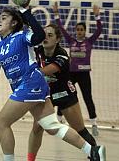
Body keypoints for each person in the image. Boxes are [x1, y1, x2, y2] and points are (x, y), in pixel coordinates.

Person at [0, 0, 106, 161]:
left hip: (30, 82)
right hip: (27, 86)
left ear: (13, 23)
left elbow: (40, 35)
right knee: (51, 126)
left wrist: (24, 10)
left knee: (2, 122)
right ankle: (93, 151)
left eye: (4, 18)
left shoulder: (22, 36)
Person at [27, 23, 97, 161]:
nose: (45, 37)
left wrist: (24, 73)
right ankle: (30, 159)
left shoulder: (62, 55)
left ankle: (96, 154)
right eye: (44, 34)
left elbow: (45, 71)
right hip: (47, 95)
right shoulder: (37, 51)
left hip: (65, 94)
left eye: (50, 35)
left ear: (57, 39)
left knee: (80, 130)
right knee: (36, 129)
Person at [53, 2, 103, 136]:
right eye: (78, 29)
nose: (79, 31)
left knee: (87, 97)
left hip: (84, 74)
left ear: (85, 31)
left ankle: (93, 124)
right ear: (75, 31)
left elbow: (99, 30)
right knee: (64, 93)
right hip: (71, 74)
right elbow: (61, 29)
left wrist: (97, 16)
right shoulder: (71, 41)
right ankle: (58, 119)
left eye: (82, 29)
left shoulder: (89, 42)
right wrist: (56, 14)